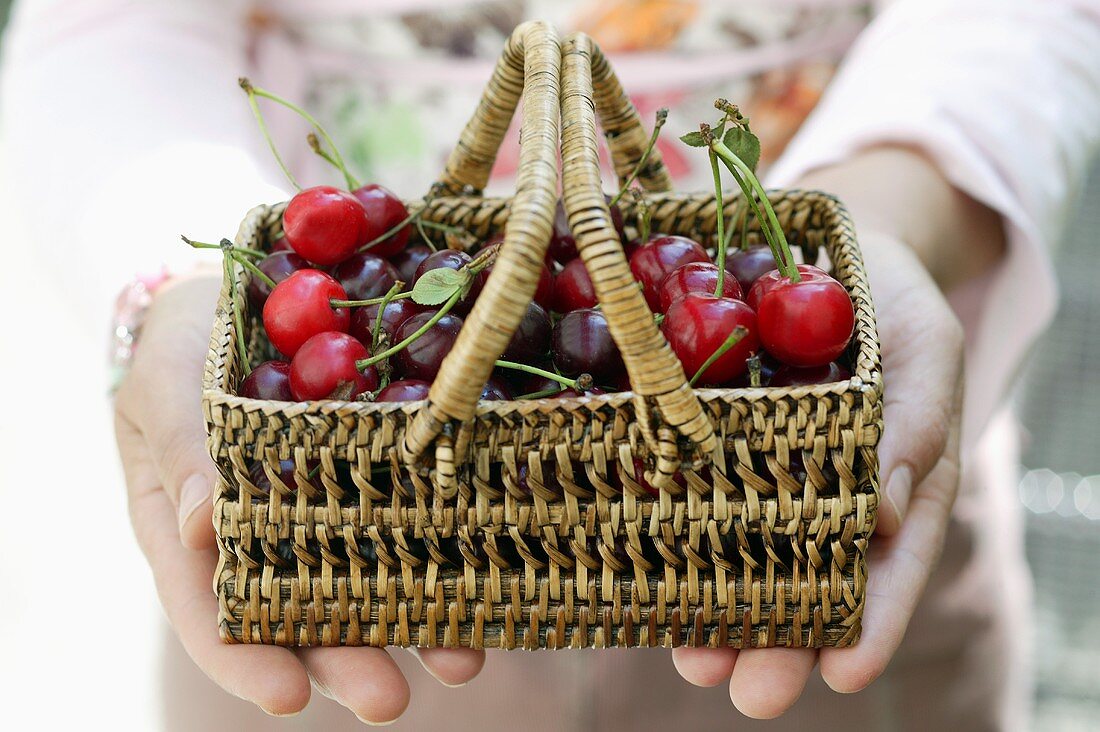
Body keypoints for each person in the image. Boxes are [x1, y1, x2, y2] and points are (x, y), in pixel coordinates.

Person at [2, 0, 1097, 729]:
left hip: (809, 522)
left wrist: (892, 213)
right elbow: (110, 24)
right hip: (349, 529)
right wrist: (181, 283)